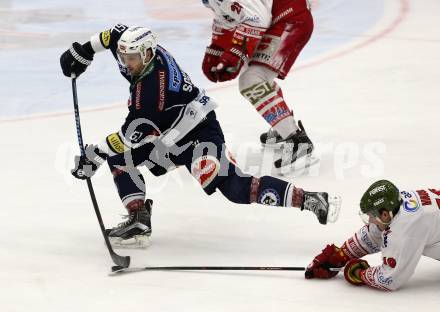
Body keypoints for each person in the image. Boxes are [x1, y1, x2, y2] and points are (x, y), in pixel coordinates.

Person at [59, 24, 340, 248]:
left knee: (236, 188)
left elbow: (132, 135)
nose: (126, 62)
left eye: (131, 58)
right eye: (124, 57)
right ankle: (138, 220)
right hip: (166, 132)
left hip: (197, 133)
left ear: (146, 54)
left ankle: (311, 200)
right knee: (120, 159)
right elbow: (113, 34)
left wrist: (93, 154)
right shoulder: (138, 51)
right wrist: (84, 51)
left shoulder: (151, 88)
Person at [201, 0, 314, 168]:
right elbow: (227, 16)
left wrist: (237, 50)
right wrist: (216, 49)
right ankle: (285, 127)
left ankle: (297, 140)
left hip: (290, 19)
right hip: (280, 18)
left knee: (252, 80)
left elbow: (257, 18)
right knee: (256, 78)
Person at [305, 180, 440, 291]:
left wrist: (358, 273)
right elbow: (374, 235)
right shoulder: (400, 204)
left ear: (385, 214)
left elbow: (390, 279)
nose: (370, 221)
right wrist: (341, 254)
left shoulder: (405, 229)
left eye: (371, 216)